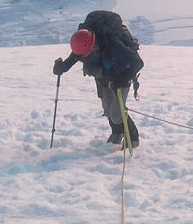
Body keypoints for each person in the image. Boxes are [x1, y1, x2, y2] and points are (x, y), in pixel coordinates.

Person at [53, 10, 144, 147]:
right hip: (103, 76)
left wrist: (122, 77)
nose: (85, 57)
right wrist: (63, 67)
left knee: (116, 112)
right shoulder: (83, 44)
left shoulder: (113, 43)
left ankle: (132, 137)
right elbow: (75, 56)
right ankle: (117, 133)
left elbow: (137, 63)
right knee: (107, 109)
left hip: (121, 75)